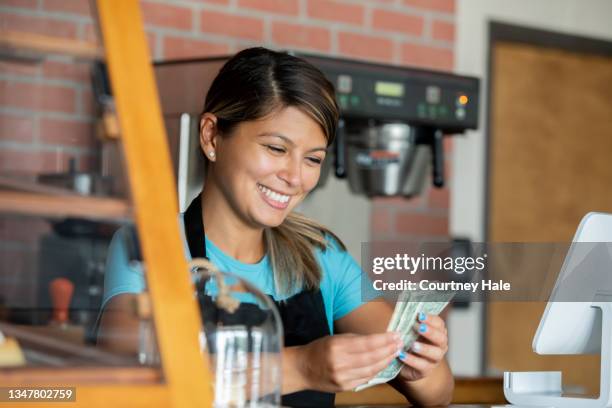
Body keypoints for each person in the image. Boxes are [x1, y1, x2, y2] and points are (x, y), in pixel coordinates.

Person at [98, 47, 453, 406]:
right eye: (276, 148)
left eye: (313, 159)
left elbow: (439, 392)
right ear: (211, 136)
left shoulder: (322, 257)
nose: (295, 177)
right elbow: (128, 368)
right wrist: (302, 367)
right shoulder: (150, 246)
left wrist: (422, 362)